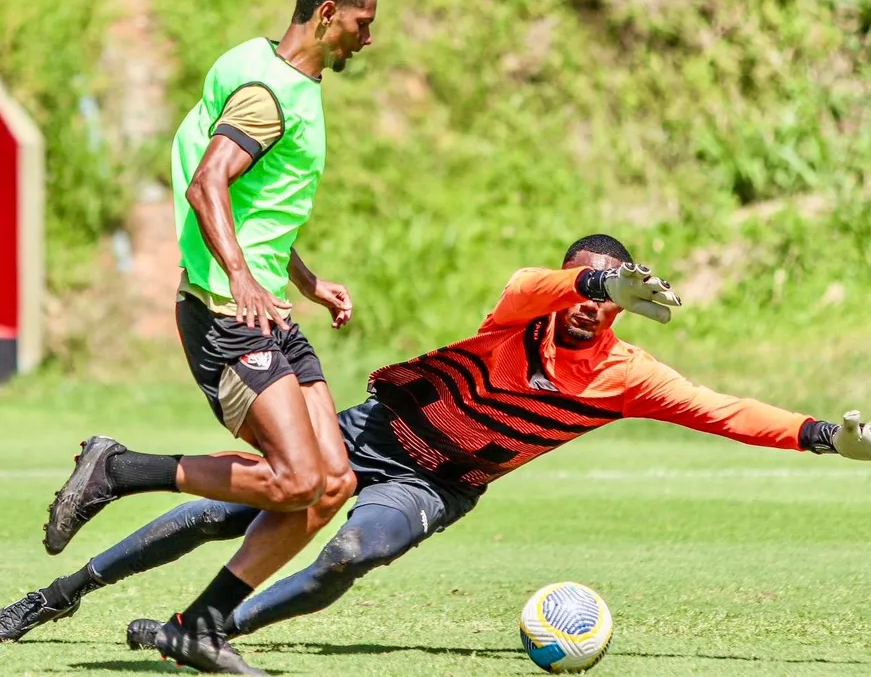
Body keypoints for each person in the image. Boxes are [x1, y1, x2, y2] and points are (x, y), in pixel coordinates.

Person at [6, 234, 869, 673]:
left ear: (622, 316)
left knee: (351, 553)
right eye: (580, 286)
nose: (582, 306)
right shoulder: (522, 312)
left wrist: (827, 436)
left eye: (602, 295)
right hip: (369, 432)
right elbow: (528, 284)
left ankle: (204, 633)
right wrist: (595, 278)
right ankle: (55, 597)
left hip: (436, 480)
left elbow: (726, 411)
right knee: (216, 514)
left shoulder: (627, 375)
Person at [38, 0, 378, 673]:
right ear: (325, 15)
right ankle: (121, 469)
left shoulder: (268, 70)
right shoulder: (269, 93)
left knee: (332, 486)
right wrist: (240, 276)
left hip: (267, 310)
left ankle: (201, 626)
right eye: (360, 23)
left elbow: (256, 208)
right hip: (226, 314)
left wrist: (307, 280)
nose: (366, 39)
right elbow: (207, 185)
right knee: (292, 482)